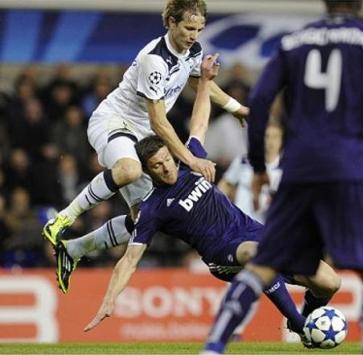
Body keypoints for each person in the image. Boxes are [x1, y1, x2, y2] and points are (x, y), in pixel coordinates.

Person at [82, 55, 341, 342]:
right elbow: (129, 260)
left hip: (256, 232)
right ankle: (299, 324)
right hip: (223, 254)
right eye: (157, 165)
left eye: (167, 158)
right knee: (259, 254)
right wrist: (108, 301)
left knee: (329, 282)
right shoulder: (152, 208)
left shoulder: (191, 166)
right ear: (147, 170)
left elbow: (200, 121)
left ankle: (308, 318)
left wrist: (205, 82)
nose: (166, 166)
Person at [203, 1, 363, 354]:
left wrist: (260, 166)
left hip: (299, 164)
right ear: (360, 5)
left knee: (264, 265)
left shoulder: (294, 41)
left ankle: (214, 345)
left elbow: (260, 100)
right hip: (350, 163)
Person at [42, 0, 248, 293]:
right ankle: (63, 218)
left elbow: (199, 85)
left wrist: (236, 107)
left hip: (140, 133)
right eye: (189, 28)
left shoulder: (193, 52)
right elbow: (159, 122)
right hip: (114, 122)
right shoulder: (154, 59)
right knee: (128, 169)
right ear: (171, 23)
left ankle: (73, 249)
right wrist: (191, 159)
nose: (194, 35)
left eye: (199, 29)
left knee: (144, 216)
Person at [218, 120, 283, 223]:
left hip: (265, 227)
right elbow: (226, 184)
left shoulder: (285, 170)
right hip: (238, 223)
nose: (271, 141)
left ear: (281, 140)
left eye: (275, 137)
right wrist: (220, 208)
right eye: (267, 136)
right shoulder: (244, 161)